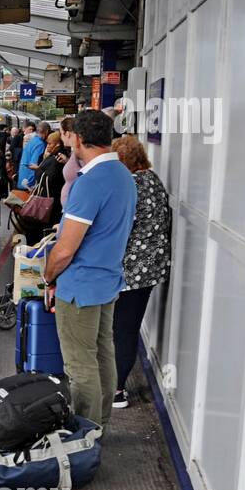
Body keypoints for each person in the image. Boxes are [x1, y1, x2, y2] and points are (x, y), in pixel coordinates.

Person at [43, 110, 136, 430]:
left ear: (79, 139)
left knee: (79, 364)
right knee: (102, 354)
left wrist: (47, 276)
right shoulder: (123, 175)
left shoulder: (90, 182)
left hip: (80, 286)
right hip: (108, 282)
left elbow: (65, 249)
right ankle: (101, 423)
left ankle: (84, 433)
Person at [110, 135, 172, 409]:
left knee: (121, 328)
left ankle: (117, 389)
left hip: (131, 270)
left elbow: (120, 226)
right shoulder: (153, 179)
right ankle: (117, 384)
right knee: (128, 326)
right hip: (151, 268)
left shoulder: (132, 185)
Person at [18, 120, 48, 189]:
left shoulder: (32, 140)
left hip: (23, 177)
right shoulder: (40, 144)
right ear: (46, 132)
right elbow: (33, 165)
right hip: (29, 183)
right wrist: (31, 184)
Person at [59, 116, 81, 208]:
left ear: (67, 133)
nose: (60, 137)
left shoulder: (80, 153)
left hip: (75, 208)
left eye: (61, 133)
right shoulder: (74, 152)